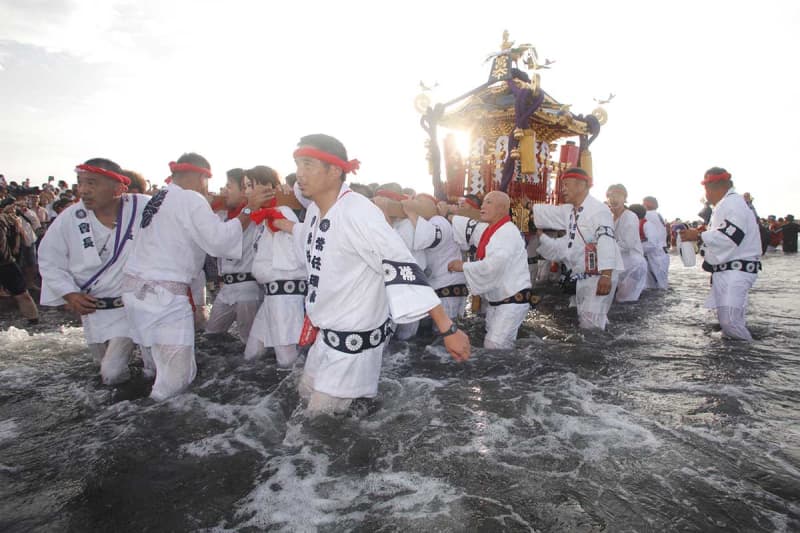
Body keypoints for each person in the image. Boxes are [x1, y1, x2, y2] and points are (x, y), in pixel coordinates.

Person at [273, 134, 470, 416]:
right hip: (326, 336)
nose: (300, 174)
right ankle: (364, 408)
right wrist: (283, 225)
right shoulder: (317, 210)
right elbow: (316, 238)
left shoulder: (359, 212)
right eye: (297, 165)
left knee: (318, 423)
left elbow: (402, 266)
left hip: (352, 343)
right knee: (305, 396)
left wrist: (447, 328)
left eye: (307, 164)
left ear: (335, 170)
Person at [121, 153, 272, 401]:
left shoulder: (160, 197)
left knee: (153, 367)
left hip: (135, 292)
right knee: (175, 379)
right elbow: (220, 242)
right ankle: (157, 423)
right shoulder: (190, 198)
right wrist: (249, 207)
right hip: (163, 296)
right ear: (202, 176)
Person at [38, 159, 148, 384]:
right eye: (80, 183)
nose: (84, 190)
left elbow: (180, 210)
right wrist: (69, 293)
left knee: (112, 372)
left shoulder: (141, 207)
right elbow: (49, 259)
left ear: (118, 188)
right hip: (93, 309)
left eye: (92, 183)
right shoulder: (70, 218)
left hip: (129, 306)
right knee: (102, 369)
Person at [533, 168, 624, 330]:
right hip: (584, 275)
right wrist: (540, 233)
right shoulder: (569, 211)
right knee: (590, 319)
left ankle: (599, 351)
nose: (563, 189)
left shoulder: (598, 210)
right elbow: (568, 242)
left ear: (581, 185)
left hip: (599, 274)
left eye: (566, 185)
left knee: (590, 323)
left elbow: (606, 241)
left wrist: (606, 274)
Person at [679, 167, 761, 341]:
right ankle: (736, 358)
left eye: (706, 190)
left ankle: (751, 359)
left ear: (712, 188)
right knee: (730, 323)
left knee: (730, 322)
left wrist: (699, 235)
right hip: (730, 269)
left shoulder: (732, 203)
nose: (706, 195)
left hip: (735, 270)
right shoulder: (728, 204)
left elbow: (730, 237)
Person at [444, 191, 531, 347]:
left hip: (511, 301)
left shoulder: (507, 233)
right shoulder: (489, 229)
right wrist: (447, 214)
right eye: (483, 202)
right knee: (496, 346)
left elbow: (492, 266)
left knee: (494, 345)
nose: (483, 206)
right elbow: (469, 228)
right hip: (497, 300)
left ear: (502, 208)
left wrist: (462, 266)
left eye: (488, 202)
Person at [244, 166, 306, 368]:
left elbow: (295, 257)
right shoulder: (265, 215)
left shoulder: (281, 212)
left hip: (284, 296)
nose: (247, 192)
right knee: (251, 354)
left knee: (286, 360)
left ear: (267, 187)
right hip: (272, 295)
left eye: (249, 186)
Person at [204, 168, 263, 344]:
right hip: (226, 288)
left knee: (250, 344)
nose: (224, 190)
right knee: (211, 335)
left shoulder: (255, 214)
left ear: (244, 191)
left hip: (248, 288)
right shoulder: (222, 215)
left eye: (229, 186)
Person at [0, 196, 39, 323]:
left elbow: (11, 221)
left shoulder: (4, 218)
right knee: (23, 295)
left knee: (22, 294)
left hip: (6, 263)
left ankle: (34, 323)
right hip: (6, 261)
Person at [606, 184, 647, 303]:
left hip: (633, 266)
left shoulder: (630, 217)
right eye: (611, 196)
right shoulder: (609, 217)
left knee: (627, 304)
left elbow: (627, 244)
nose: (614, 199)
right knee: (614, 303)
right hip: (618, 266)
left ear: (625, 198)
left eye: (618, 195)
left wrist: (603, 250)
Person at [641, 196, 670, 289]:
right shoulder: (657, 214)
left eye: (644, 203)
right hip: (662, 252)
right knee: (661, 285)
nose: (642, 206)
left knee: (655, 286)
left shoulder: (648, 214)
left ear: (650, 203)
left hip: (655, 253)